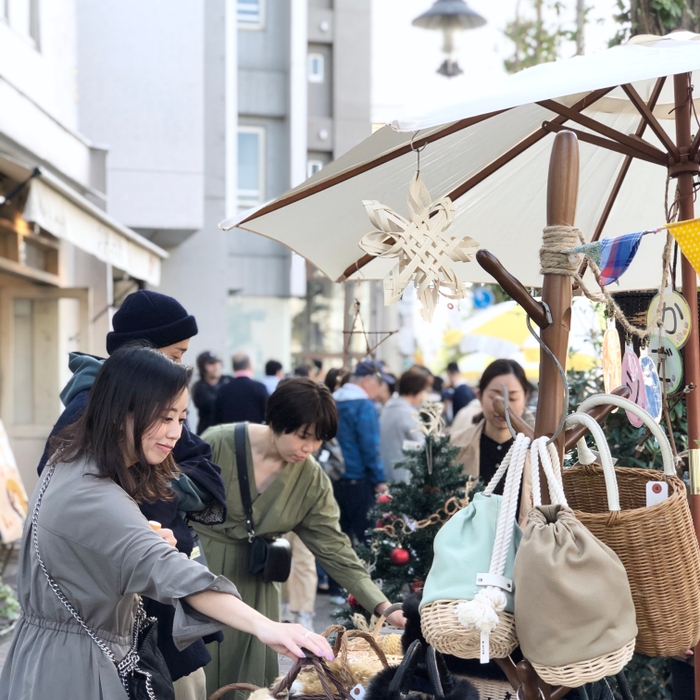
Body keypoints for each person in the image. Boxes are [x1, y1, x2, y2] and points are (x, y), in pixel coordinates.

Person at [0, 345, 333, 700]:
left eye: (181, 419)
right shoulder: (95, 495)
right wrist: (266, 626)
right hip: (78, 668)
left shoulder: (69, 458)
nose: (175, 433)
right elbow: (178, 574)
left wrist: (138, 540)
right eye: (164, 417)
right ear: (120, 410)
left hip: (46, 654)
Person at [36, 289, 227, 699]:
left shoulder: (149, 414)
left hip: (151, 603)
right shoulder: (84, 428)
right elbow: (64, 507)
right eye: (174, 356)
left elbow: (205, 467)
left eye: (179, 420)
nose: (174, 433)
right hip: (120, 616)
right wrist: (134, 527)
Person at [195, 377, 404, 695]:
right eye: (302, 436)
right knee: (194, 672)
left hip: (256, 586)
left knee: (247, 683)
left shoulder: (311, 479)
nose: (310, 448)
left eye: (318, 439)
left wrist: (382, 605)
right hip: (199, 573)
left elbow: (335, 548)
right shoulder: (218, 442)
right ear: (276, 420)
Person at [449, 359, 531, 495]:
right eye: (494, 397)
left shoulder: (538, 449)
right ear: (479, 396)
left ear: (525, 397)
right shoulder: (454, 447)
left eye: (512, 398)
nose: (502, 407)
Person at [332, 360, 389, 545]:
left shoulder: (332, 399)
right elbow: (370, 446)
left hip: (332, 478)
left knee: (338, 540)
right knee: (368, 540)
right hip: (358, 480)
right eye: (379, 383)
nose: (379, 389)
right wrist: (379, 479)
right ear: (367, 379)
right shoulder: (364, 405)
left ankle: (334, 576)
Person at [380, 367, 431, 482]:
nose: (424, 395)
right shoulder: (408, 414)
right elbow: (421, 446)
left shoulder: (388, 408)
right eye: (423, 390)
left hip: (388, 471)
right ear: (415, 390)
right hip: (404, 476)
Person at [213, 352, 269, 425]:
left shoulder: (223, 389)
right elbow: (267, 415)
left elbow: (216, 418)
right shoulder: (260, 387)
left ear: (233, 367)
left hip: (229, 434)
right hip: (254, 434)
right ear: (250, 365)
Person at [192, 351, 232, 434]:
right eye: (211, 364)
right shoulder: (199, 387)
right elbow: (212, 405)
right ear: (202, 367)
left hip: (228, 432)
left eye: (217, 363)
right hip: (207, 433)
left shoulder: (229, 381)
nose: (216, 366)